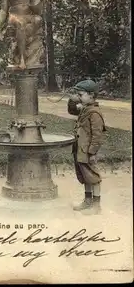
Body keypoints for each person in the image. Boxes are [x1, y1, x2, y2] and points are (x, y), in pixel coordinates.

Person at [67, 79, 106, 215]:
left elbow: (97, 136)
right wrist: (72, 99)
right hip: (81, 149)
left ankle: (96, 206)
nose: (79, 97)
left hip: (88, 151)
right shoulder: (85, 109)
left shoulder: (94, 113)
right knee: (85, 176)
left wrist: (92, 152)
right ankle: (88, 201)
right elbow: (72, 110)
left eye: (81, 94)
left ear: (91, 95)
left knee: (93, 177)